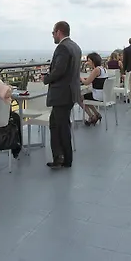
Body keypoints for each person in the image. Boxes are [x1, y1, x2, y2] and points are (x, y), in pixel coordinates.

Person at [44, 21, 82, 169]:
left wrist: (46, 79)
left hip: (61, 94)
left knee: (60, 126)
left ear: (59, 32)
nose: (52, 36)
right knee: (57, 124)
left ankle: (63, 158)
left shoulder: (62, 48)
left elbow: (59, 70)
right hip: (71, 93)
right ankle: (61, 157)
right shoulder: (76, 47)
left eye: (53, 33)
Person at [80, 52, 109, 125]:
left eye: (89, 61)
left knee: (79, 98)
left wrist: (80, 78)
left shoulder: (96, 70)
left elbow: (86, 83)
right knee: (85, 98)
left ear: (93, 61)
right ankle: (96, 114)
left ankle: (91, 116)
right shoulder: (103, 69)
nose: (87, 63)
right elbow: (98, 79)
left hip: (98, 96)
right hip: (104, 95)